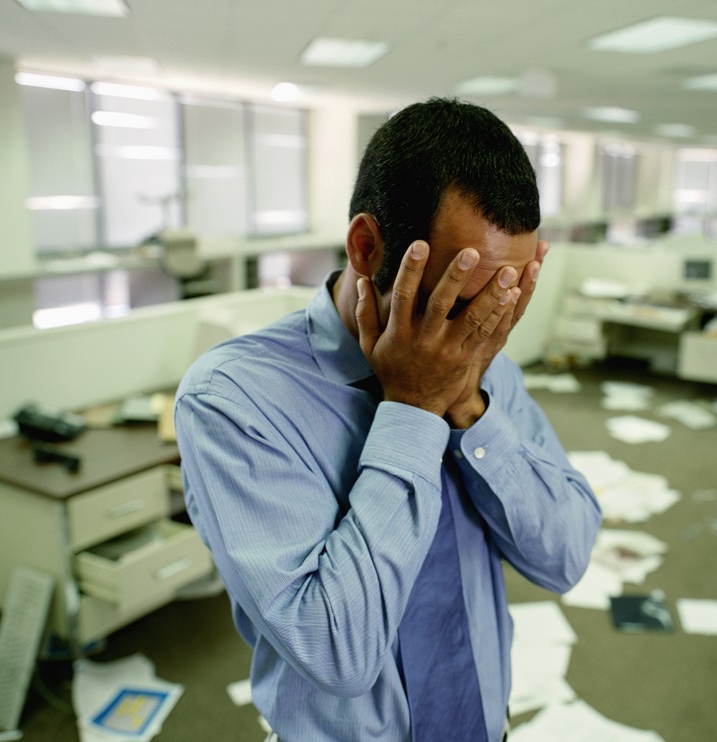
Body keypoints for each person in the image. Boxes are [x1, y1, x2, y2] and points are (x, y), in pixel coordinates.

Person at [175, 97, 602, 742]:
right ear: (368, 247)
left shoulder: (483, 369)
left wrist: (468, 408)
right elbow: (335, 651)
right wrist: (412, 409)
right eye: (459, 300)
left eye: (503, 300)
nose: (480, 331)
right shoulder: (235, 398)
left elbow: (566, 556)